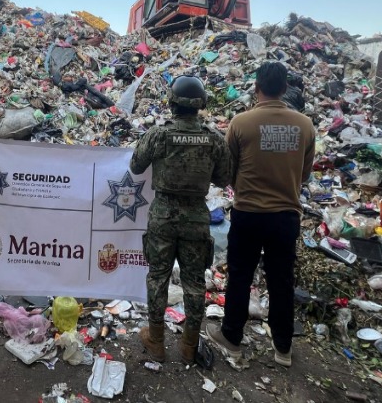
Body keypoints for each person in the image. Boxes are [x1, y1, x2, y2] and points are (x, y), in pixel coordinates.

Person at [206, 61, 315, 367]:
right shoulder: (305, 125)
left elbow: (227, 171)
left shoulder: (241, 123)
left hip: (249, 213)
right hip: (286, 217)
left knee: (240, 276)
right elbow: (304, 175)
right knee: (281, 280)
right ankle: (283, 349)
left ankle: (232, 337)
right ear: (284, 89)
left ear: (256, 87)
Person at [130, 76, 231, 366]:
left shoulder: (159, 134)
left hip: (162, 216)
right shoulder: (214, 139)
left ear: (171, 103)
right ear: (201, 105)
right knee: (194, 282)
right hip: (196, 218)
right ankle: (188, 346)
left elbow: (136, 166)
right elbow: (223, 178)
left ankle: (157, 342)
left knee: (158, 278)